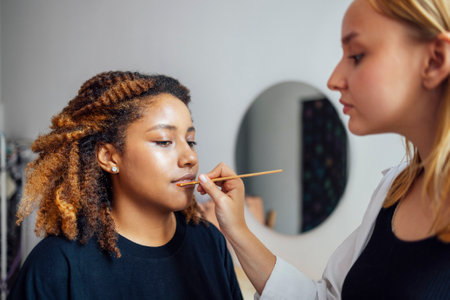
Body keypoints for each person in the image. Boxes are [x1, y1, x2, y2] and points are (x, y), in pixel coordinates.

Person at [197, 0, 450, 299]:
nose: (333, 80)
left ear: (434, 60)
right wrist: (236, 229)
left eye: (357, 55)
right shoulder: (394, 190)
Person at [8, 71, 243, 300]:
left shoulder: (210, 242)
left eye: (191, 141)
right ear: (109, 157)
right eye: (164, 141)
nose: (190, 157)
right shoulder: (57, 263)